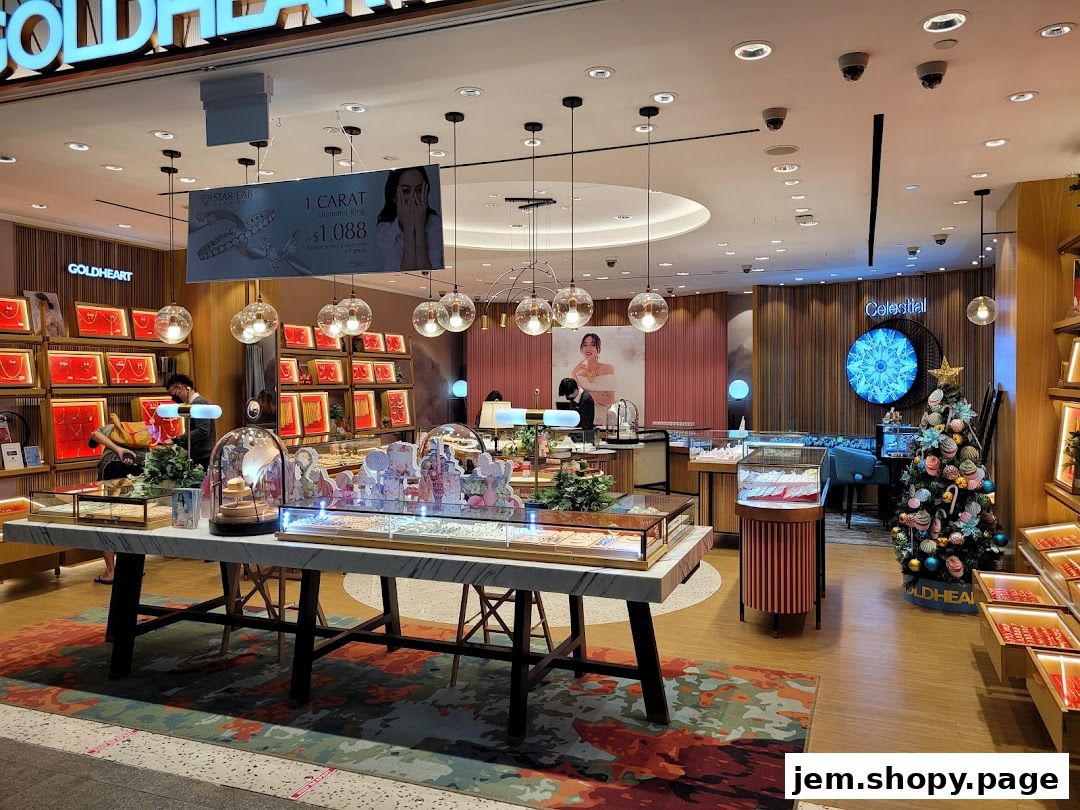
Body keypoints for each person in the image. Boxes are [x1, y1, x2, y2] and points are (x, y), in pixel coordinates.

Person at [87, 424, 147, 585]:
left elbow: (94, 434)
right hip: (137, 467)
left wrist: (117, 449)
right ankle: (133, 567)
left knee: (107, 520)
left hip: (111, 469)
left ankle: (111, 572)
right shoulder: (140, 427)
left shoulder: (107, 428)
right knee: (133, 518)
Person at [375, 167, 444, 271]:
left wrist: (419, 227)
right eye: (406, 191)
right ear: (394, 196)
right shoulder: (384, 230)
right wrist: (409, 228)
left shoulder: (435, 224)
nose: (414, 197)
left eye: (419, 190)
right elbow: (404, 277)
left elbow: (427, 276)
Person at [165, 373, 216, 470]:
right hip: (200, 455)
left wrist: (176, 440)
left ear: (180, 388)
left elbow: (203, 431)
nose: (174, 399)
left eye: (173, 394)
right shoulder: (195, 404)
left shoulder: (199, 403)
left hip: (202, 458)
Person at [570, 332, 616, 409]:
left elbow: (610, 399)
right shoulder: (577, 371)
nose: (588, 348)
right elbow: (577, 398)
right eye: (585, 345)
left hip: (602, 414)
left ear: (598, 348)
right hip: (584, 414)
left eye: (593, 345)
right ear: (581, 348)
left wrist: (586, 394)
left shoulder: (607, 368)